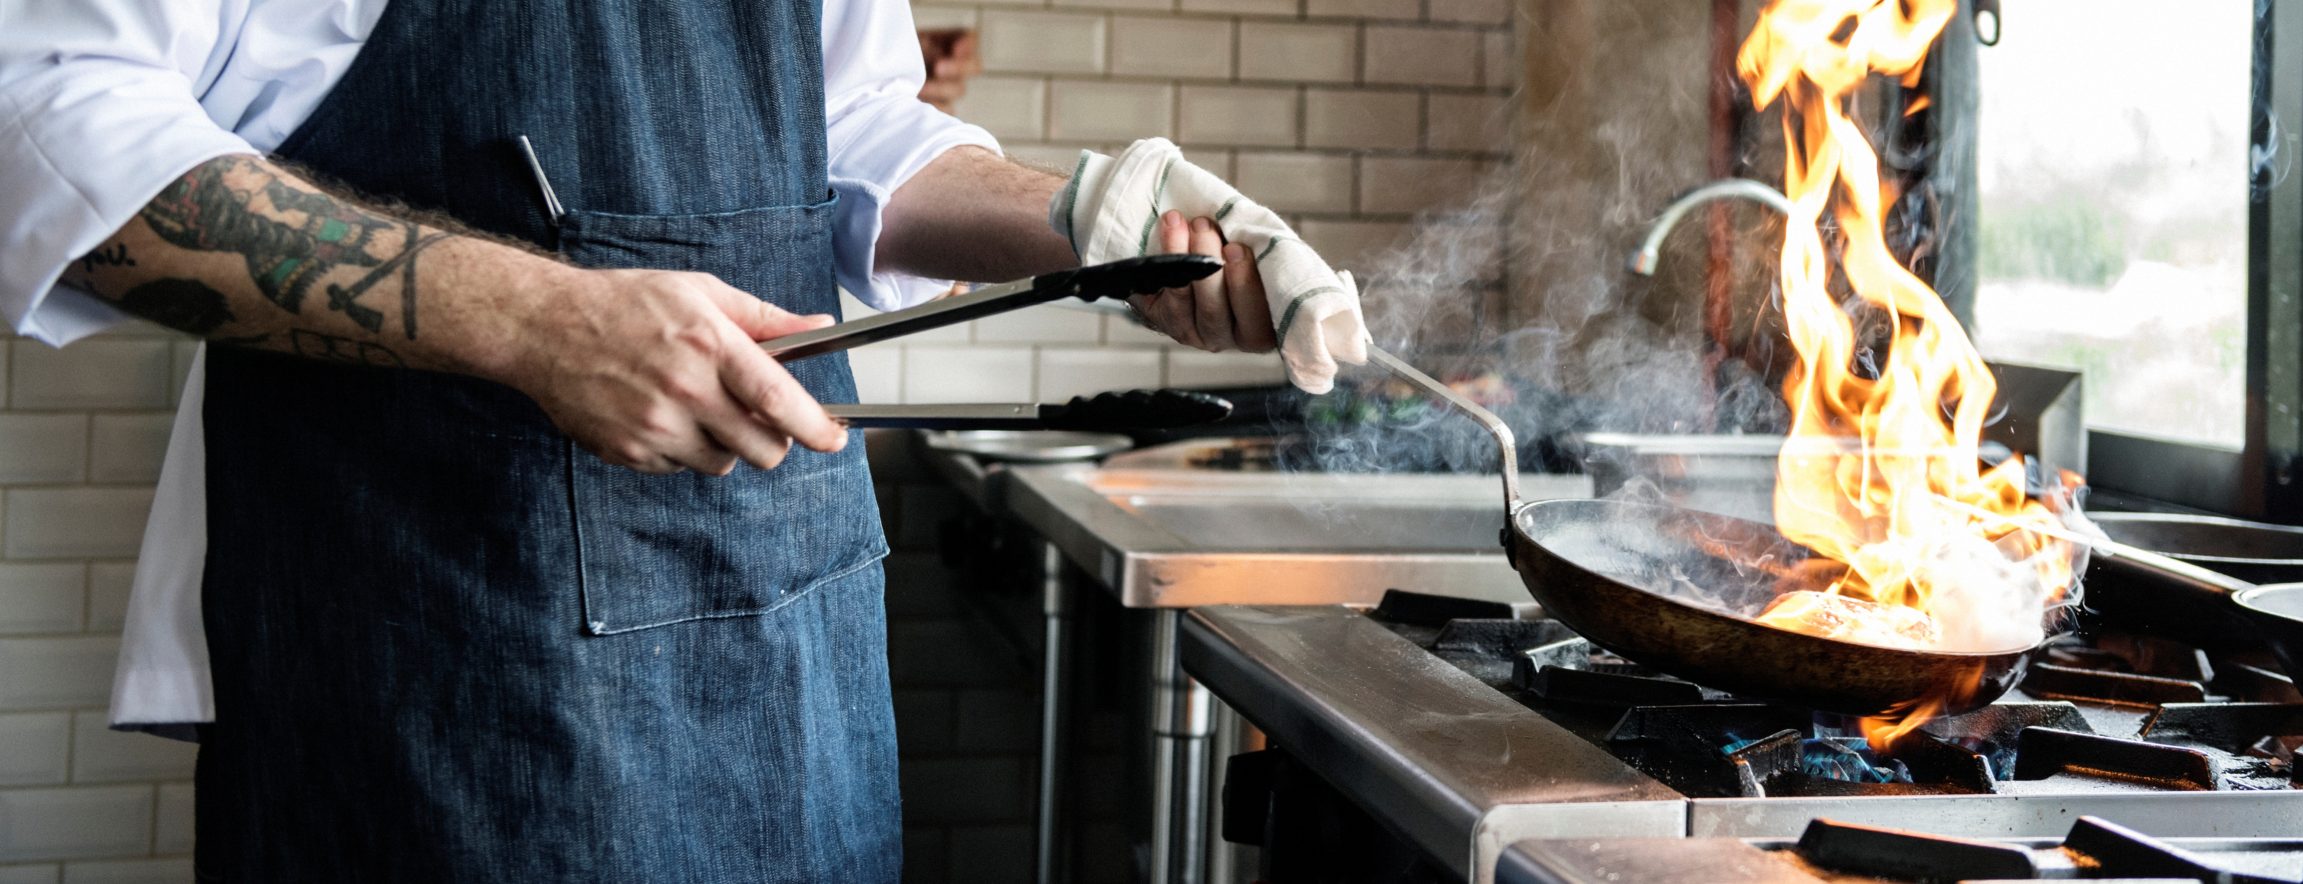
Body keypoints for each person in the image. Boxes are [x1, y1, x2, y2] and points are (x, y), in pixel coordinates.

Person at [0, 1, 1362, 879]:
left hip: (796, 666)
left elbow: (838, 127)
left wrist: (1083, 220)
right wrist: (530, 316)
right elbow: (41, 103)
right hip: (440, 677)